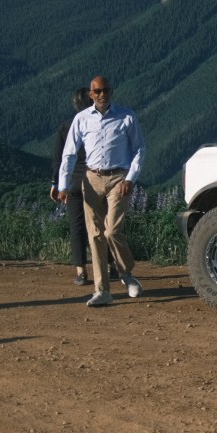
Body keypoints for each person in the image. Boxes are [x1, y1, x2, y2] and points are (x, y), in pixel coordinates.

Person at [56, 76, 146, 307]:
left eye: (105, 90)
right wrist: (63, 185)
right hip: (92, 178)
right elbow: (69, 153)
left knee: (111, 231)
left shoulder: (126, 116)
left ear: (111, 92)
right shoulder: (81, 119)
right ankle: (102, 291)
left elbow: (139, 149)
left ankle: (126, 273)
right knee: (95, 234)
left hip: (119, 179)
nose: (102, 95)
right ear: (90, 94)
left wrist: (130, 178)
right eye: (97, 92)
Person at [50, 87, 92, 288]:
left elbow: (59, 160)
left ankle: (81, 272)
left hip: (73, 183)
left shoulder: (65, 127)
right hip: (94, 181)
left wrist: (56, 184)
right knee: (100, 225)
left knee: (77, 228)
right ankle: (111, 266)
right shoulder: (97, 126)